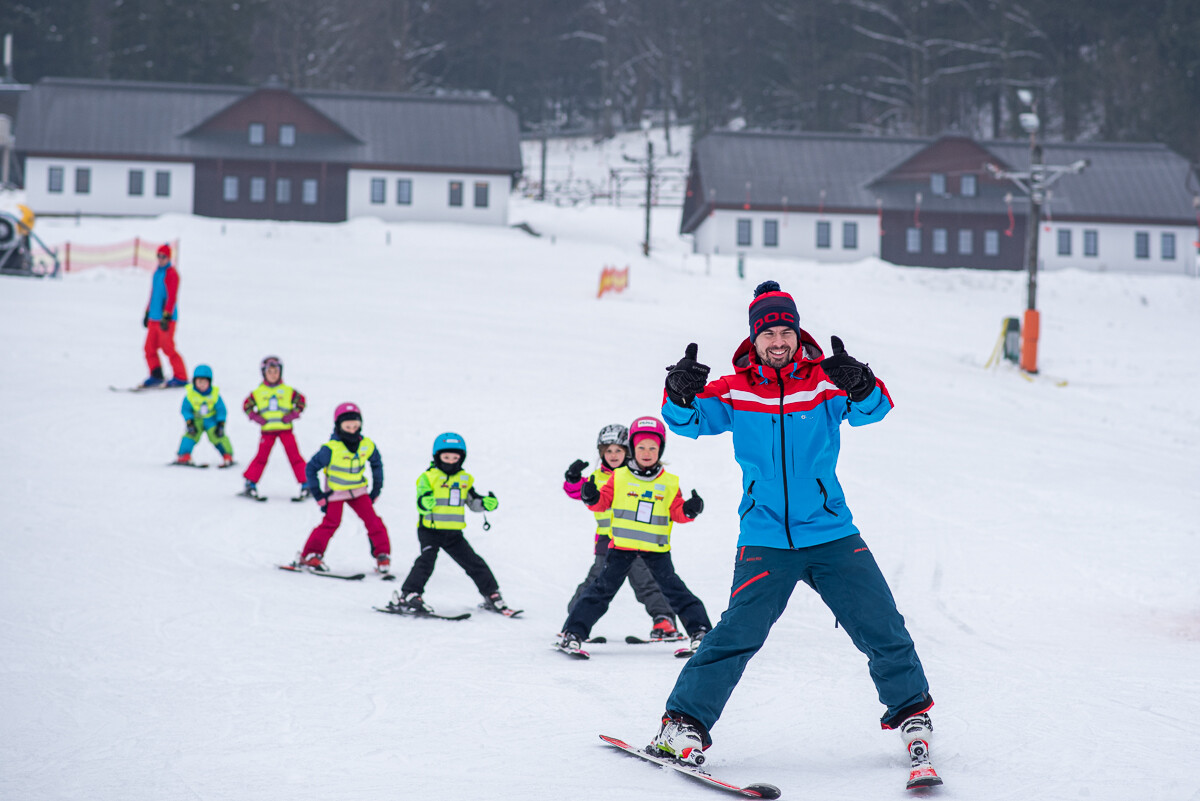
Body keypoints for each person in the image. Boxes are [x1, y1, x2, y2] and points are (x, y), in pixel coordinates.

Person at [648, 280, 940, 789]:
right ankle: (683, 726)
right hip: (765, 537)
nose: (778, 340)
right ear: (754, 339)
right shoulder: (735, 388)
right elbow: (688, 422)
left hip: (831, 532)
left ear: (796, 332)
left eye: (785, 329)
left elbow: (875, 410)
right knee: (737, 634)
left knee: (880, 624)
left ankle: (912, 714)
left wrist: (861, 382)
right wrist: (678, 392)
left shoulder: (824, 381)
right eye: (769, 333)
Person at [557, 416, 712, 655]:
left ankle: (701, 632)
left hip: (656, 550)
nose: (647, 452)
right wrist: (591, 497)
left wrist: (689, 510)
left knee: (675, 591)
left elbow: (677, 512)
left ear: (660, 449)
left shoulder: (669, 482)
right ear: (634, 449)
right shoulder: (619, 477)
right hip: (621, 548)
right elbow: (603, 502)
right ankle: (573, 633)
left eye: (653, 447)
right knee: (600, 590)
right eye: (641, 447)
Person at [563, 423, 679, 640]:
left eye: (619, 450)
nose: (613, 455)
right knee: (596, 582)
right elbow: (578, 493)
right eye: (608, 451)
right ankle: (573, 623)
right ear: (601, 453)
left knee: (645, 580)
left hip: (635, 540)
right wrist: (573, 480)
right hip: (606, 541)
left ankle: (664, 621)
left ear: (628, 451)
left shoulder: (635, 476)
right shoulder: (597, 478)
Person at [394, 433, 516, 616]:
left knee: (474, 562)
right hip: (430, 530)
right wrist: (424, 503)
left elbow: (473, 502)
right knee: (426, 561)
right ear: (437, 457)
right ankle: (409, 594)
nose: (450, 461)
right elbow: (421, 499)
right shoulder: (428, 477)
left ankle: (492, 594)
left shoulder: (464, 479)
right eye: (446, 457)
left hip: (453, 533)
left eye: (455, 458)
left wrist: (486, 504)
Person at [293, 403, 391, 575]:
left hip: (358, 491)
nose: (352, 430)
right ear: (338, 426)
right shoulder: (331, 449)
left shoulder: (366, 445)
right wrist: (318, 494)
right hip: (335, 493)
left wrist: (376, 490)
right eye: (347, 426)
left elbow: (377, 465)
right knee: (331, 523)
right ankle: (311, 555)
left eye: (355, 426)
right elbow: (310, 468)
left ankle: (382, 555)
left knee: (373, 521)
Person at [241, 356, 308, 500]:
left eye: (276, 371)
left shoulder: (287, 390)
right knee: (261, 457)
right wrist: (256, 417)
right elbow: (246, 406)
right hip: (267, 432)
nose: (273, 375)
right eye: (269, 372)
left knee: (295, 456)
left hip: (286, 430)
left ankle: (306, 484)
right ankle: (250, 483)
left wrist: (293, 415)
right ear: (264, 373)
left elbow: (301, 401)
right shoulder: (258, 392)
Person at [142, 243, 187, 388]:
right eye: (159, 256)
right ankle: (156, 375)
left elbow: (172, 297)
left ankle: (181, 376)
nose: (161, 259)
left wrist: (166, 315)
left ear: (169, 258)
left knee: (167, 347)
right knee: (149, 348)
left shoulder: (172, 274)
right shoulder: (157, 272)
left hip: (165, 319)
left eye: (164, 257)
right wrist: (147, 312)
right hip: (154, 318)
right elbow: (153, 294)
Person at [173, 364, 233, 467]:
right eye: (199, 382)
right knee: (190, 435)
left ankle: (227, 455)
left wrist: (221, 423)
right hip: (196, 419)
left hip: (211, 419)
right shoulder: (190, 395)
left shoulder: (214, 394)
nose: (201, 385)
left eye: (204, 382)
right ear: (194, 382)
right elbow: (185, 409)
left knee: (217, 435)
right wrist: (189, 422)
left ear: (209, 382)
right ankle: (183, 455)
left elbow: (221, 410)